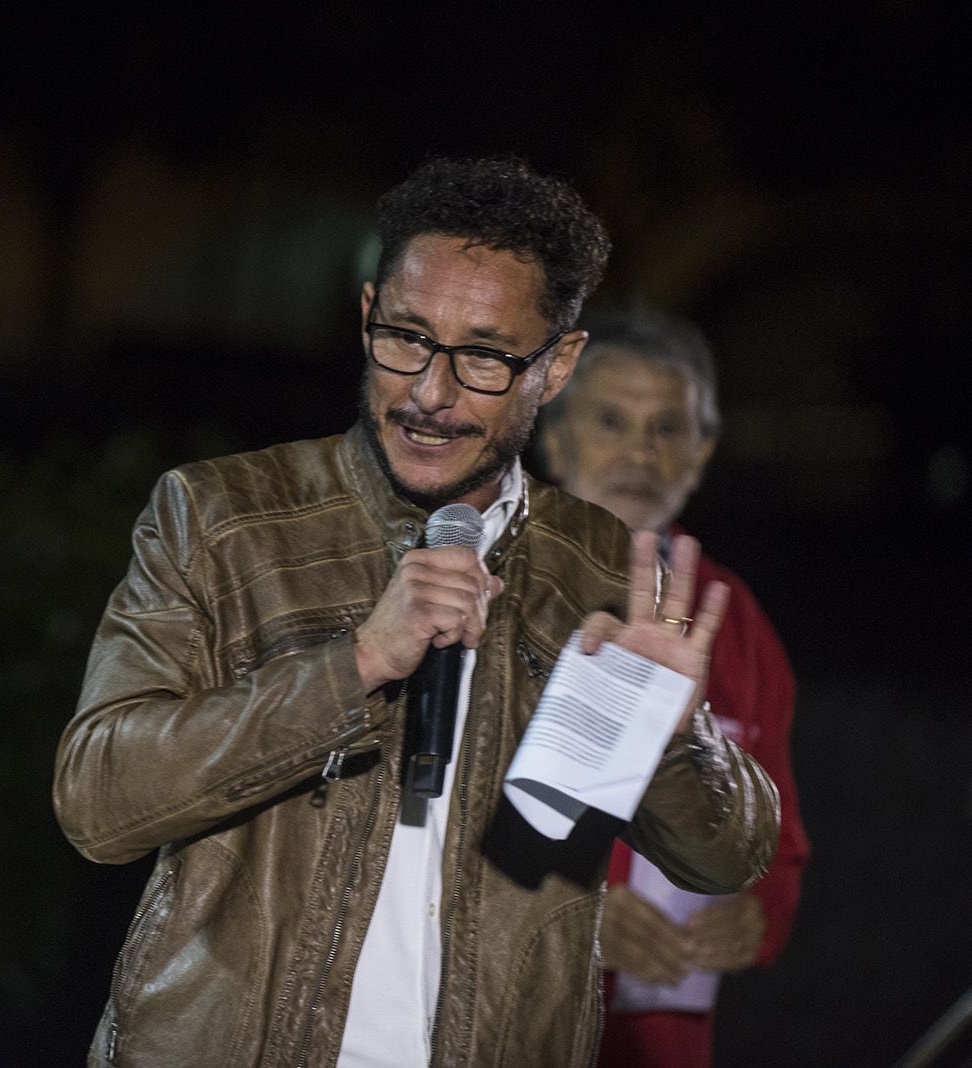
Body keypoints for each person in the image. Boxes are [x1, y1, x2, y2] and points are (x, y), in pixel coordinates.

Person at [52, 155, 780, 1067]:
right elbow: (97, 800)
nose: (429, 394)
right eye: (406, 337)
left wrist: (675, 738)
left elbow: (726, 859)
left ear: (555, 367)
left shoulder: (599, 569)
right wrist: (352, 666)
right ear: (365, 318)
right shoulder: (224, 518)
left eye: (482, 356)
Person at [537, 306, 810, 1068]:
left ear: (704, 450)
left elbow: (780, 842)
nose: (640, 452)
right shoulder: (495, 588)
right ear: (552, 435)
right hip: (507, 1031)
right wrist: (573, 918)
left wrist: (757, 917)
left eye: (667, 428)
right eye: (612, 420)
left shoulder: (739, 623)